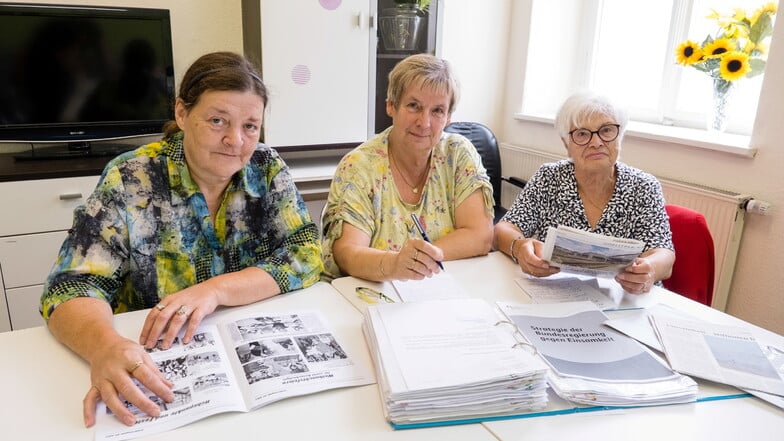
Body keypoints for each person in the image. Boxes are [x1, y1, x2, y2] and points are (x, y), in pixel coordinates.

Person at [39, 51, 323, 427]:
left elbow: (304, 253)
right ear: (182, 114)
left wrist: (215, 291)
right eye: (217, 120)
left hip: (247, 356)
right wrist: (104, 347)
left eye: (250, 126)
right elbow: (70, 287)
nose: (235, 141)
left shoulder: (266, 167)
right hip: (155, 362)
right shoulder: (131, 178)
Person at [321, 53, 494, 281]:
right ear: (391, 106)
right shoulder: (359, 166)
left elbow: (480, 235)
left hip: (436, 293)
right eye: (414, 106)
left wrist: (420, 260)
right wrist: (395, 264)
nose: (424, 123)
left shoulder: (459, 154)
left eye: (437, 111)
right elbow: (347, 253)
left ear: (449, 117)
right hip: (367, 294)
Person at [494, 92, 674, 294]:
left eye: (606, 130)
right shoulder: (550, 178)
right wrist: (519, 247)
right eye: (582, 134)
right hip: (556, 295)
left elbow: (664, 254)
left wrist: (650, 269)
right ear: (566, 144)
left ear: (620, 136)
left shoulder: (644, 187)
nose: (596, 142)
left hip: (622, 301)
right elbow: (503, 229)